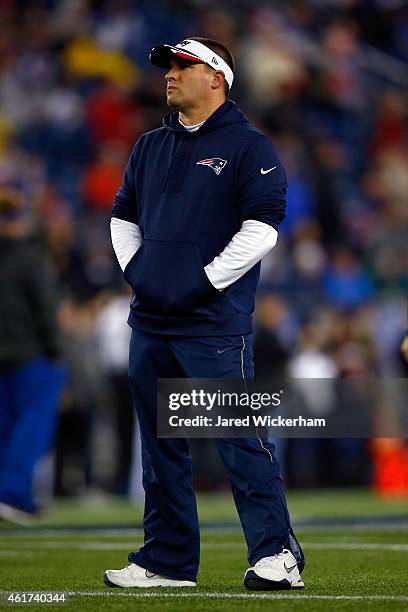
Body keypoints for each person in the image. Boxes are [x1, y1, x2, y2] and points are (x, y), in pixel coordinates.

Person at [105, 37, 305, 590]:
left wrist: (200, 283)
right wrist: (140, 275)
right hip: (151, 319)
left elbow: (264, 227)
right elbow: (123, 216)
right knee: (159, 446)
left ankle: (277, 555)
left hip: (213, 323)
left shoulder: (249, 147)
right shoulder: (149, 144)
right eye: (168, 67)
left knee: (238, 438)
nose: (169, 75)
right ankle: (167, 561)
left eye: (182, 66)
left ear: (216, 77)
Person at [0, 187, 66, 524]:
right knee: (33, 426)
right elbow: (46, 310)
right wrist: (57, 351)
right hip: (30, 354)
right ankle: (13, 494)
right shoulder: (28, 258)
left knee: (6, 426)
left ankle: (13, 493)